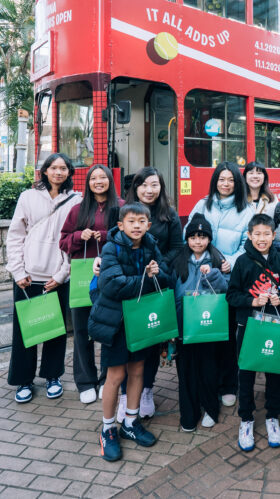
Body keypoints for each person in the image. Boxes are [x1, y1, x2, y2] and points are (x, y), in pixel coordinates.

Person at [90, 203, 172, 461]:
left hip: (140, 320)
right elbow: (111, 285)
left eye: (142, 221)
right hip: (116, 323)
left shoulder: (151, 245)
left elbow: (166, 277)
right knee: (115, 375)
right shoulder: (111, 247)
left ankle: (130, 422)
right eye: (131, 221)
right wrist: (146, 279)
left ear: (149, 225)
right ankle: (107, 429)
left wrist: (158, 273)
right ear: (120, 225)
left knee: (138, 371)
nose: (137, 226)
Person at [6, 153, 81, 404]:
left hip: (56, 277)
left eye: (63, 168)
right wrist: (18, 271)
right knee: (24, 332)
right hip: (27, 276)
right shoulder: (28, 197)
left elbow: (74, 243)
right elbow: (15, 235)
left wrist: (62, 274)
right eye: (54, 168)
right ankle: (23, 381)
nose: (58, 172)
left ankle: (52, 376)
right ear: (45, 171)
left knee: (55, 331)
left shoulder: (76, 200)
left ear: (69, 172)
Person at [226, 214, 280, 451]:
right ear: (249, 235)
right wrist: (252, 301)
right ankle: (246, 418)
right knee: (246, 372)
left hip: (274, 325)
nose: (261, 238)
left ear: (273, 235)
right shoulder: (242, 262)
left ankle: (272, 416)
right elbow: (231, 295)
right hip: (248, 325)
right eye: (256, 234)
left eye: (266, 234)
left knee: (273, 371)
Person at [122, 167, 188, 419]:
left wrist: (158, 265)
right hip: (129, 283)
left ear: (161, 187)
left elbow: (177, 247)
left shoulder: (168, 214)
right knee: (127, 341)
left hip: (157, 283)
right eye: (144, 185)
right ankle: (125, 394)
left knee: (151, 340)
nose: (149, 190)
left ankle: (147, 390)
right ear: (135, 187)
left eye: (154, 184)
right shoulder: (124, 210)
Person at [187, 162, 252, 408]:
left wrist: (231, 262)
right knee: (204, 333)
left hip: (228, 281)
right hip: (200, 279)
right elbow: (188, 235)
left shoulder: (246, 210)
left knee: (227, 336)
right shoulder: (202, 205)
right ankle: (208, 384)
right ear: (215, 181)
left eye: (231, 180)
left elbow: (248, 244)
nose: (226, 184)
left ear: (238, 183)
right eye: (221, 179)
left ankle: (228, 385)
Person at [59, 164, 122, 405]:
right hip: (83, 277)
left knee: (110, 329)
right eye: (93, 178)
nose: (98, 181)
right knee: (82, 330)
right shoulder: (78, 209)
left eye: (102, 177)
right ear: (88, 182)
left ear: (110, 180)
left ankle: (108, 378)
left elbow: (131, 238)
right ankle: (85, 381)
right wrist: (79, 236)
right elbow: (63, 241)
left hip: (112, 275)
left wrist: (105, 236)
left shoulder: (121, 207)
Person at [170, 214, 228, 432]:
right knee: (185, 370)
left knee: (208, 368)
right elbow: (173, 293)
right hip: (185, 326)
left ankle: (211, 409)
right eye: (193, 237)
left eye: (202, 237)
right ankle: (189, 414)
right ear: (187, 239)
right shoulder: (178, 261)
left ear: (209, 239)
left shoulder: (217, 260)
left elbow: (225, 289)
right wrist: (174, 327)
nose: (198, 241)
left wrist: (213, 274)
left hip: (208, 325)